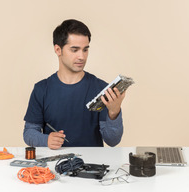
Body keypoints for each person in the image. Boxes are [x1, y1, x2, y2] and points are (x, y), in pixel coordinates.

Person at [23, 19, 126, 149]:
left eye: (85, 50)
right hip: (54, 163)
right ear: (58, 50)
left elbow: (112, 140)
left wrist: (114, 113)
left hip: (92, 166)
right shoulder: (41, 89)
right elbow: (29, 132)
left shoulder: (101, 89)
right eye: (74, 50)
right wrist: (46, 140)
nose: (81, 56)